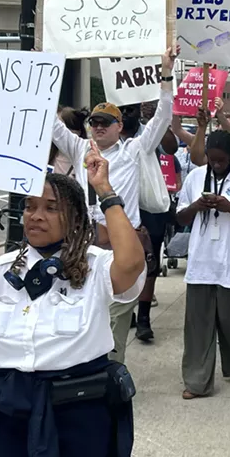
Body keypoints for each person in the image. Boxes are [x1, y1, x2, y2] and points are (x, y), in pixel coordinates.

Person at [0, 144, 145, 457]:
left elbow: (132, 264)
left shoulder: (96, 267)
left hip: (77, 419)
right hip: (6, 418)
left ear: (74, 217)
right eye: (30, 207)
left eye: (51, 208)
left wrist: (104, 190)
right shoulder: (0, 271)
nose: (36, 216)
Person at [50, 47, 177, 363]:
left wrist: (165, 74)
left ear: (120, 126)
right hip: (84, 243)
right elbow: (51, 124)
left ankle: (111, 375)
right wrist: (46, 70)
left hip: (122, 242)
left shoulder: (134, 150)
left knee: (116, 316)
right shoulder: (79, 148)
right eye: (94, 121)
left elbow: (163, 115)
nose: (99, 126)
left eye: (106, 121)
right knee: (83, 311)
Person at [176, 130, 230, 399]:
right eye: (212, 160)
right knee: (197, 326)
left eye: (221, 160)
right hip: (202, 262)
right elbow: (179, 219)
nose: (216, 165)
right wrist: (197, 206)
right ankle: (196, 381)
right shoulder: (194, 177)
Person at [130, 99, 179, 343]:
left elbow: (171, 148)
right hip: (120, 206)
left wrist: (156, 121)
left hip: (148, 207)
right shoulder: (106, 134)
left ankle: (144, 318)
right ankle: (126, 309)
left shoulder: (148, 132)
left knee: (149, 262)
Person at [49, 107, 88, 176]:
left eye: (62, 129)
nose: (56, 133)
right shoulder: (47, 153)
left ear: (77, 132)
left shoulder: (86, 159)